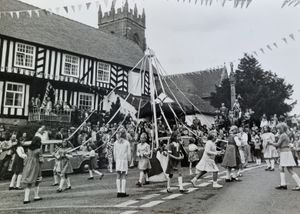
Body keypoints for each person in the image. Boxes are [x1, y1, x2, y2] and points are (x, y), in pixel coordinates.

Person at [268, 123, 300, 191]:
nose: (278, 130)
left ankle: (299, 184)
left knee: (290, 169)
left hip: (285, 152)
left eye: (278, 129)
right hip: (285, 152)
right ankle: (283, 184)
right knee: (281, 168)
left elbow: (277, 144)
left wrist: (270, 143)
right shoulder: (284, 135)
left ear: (282, 129)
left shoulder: (283, 135)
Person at [22, 127, 44, 204]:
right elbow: (41, 160)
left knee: (29, 182)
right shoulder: (39, 150)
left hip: (28, 165)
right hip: (36, 165)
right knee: (37, 181)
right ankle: (36, 196)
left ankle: (26, 198)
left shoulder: (29, 149)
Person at [113, 129, 131, 197]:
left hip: (118, 160)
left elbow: (114, 153)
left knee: (118, 175)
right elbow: (129, 153)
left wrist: (115, 160)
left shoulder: (115, 143)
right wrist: (129, 161)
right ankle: (123, 192)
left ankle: (118, 191)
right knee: (123, 175)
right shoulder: (127, 143)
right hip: (124, 160)